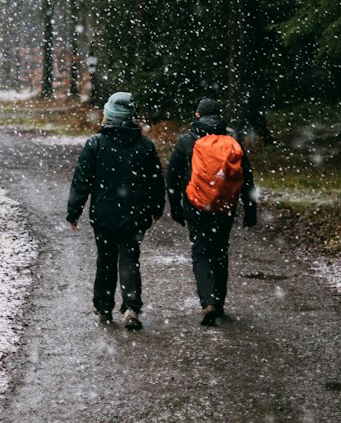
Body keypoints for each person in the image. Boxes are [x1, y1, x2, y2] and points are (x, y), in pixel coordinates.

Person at [67, 91, 165, 330]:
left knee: (106, 260)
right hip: (135, 215)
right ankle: (131, 307)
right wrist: (156, 209)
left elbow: (82, 181)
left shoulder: (96, 144)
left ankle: (103, 306)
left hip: (104, 215)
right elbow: (156, 181)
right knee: (130, 259)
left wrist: (74, 211)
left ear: (108, 115)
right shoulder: (144, 146)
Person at [167, 97, 257, 326]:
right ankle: (219, 301)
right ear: (219, 117)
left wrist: (175, 206)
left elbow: (173, 177)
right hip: (224, 206)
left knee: (201, 251)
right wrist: (250, 209)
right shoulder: (232, 141)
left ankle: (207, 301)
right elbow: (246, 178)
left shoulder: (187, 140)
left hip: (196, 204)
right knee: (220, 251)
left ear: (197, 115)